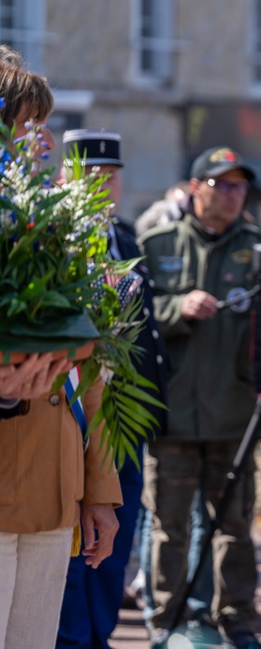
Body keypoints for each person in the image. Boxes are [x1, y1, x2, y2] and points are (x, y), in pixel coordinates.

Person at [0, 51, 122, 649]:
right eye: (27, 123)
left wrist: (99, 492)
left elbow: (92, 374)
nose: (41, 139)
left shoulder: (60, 227)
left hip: (52, 492)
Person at [139, 146, 261, 649]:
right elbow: (133, 315)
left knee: (233, 526)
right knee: (168, 526)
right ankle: (164, 624)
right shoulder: (156, 243)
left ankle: (235, 620)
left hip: (233, 413)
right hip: (172, 413)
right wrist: (176, 308)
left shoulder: (257, 248)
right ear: (196, 188)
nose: (234, 195)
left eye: (240, 187)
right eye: (222, 184)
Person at [55, 129, 169, 649]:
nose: (105, 186)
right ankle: (74, 637)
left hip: (122, 414)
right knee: (73, 536)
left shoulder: (124, 238)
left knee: (115, 531)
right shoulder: (55, 237)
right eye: (92, 176)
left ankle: (98, 635)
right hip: (74, 410)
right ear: (66, 179)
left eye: (113, 176)